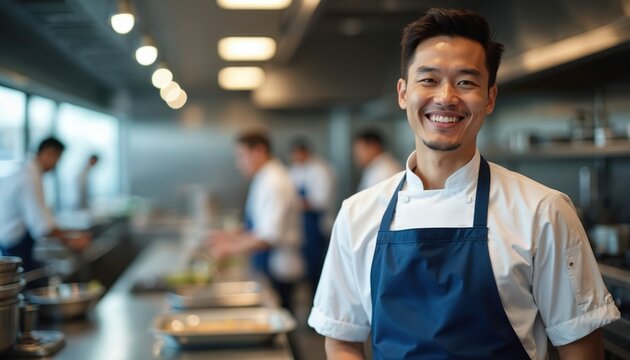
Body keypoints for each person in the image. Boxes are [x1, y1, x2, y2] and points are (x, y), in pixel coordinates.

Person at [308, 8, 619, 360]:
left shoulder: (542, 211)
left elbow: (581, 348)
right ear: (402, 92)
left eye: (466, 82)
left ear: (489, 98)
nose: (446, 97)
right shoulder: (357, 214)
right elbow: (342, 340)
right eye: (428, 79)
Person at [208, 130, 304, 310]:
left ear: (258, 151)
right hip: (268, 264)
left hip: (279, 267)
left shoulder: (275, 181)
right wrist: (231, 236)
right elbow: (259, 224)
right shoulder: (265, 177)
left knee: (283, 319)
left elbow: (270, 236)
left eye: (241, 156)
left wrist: (229, 248)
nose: (239, 163)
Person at [0, 137, 91, 272]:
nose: (57, 164)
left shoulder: (28, 172)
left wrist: (70, 233)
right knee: (27, 283)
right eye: (57, 159)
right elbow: (42, 227)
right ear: (48, 153)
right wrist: (72, 239)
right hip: (13, 243)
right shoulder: (30, 178)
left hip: (10, 240)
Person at [288, 138, 336, 293]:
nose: (296, 159)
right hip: (301, 226)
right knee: (304, 268)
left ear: (305, 153)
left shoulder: (321, 170)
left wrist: (297, 203)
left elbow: (320, 201)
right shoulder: (294, 170)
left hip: (317, 227)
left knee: (317, 268)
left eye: (298, 155)